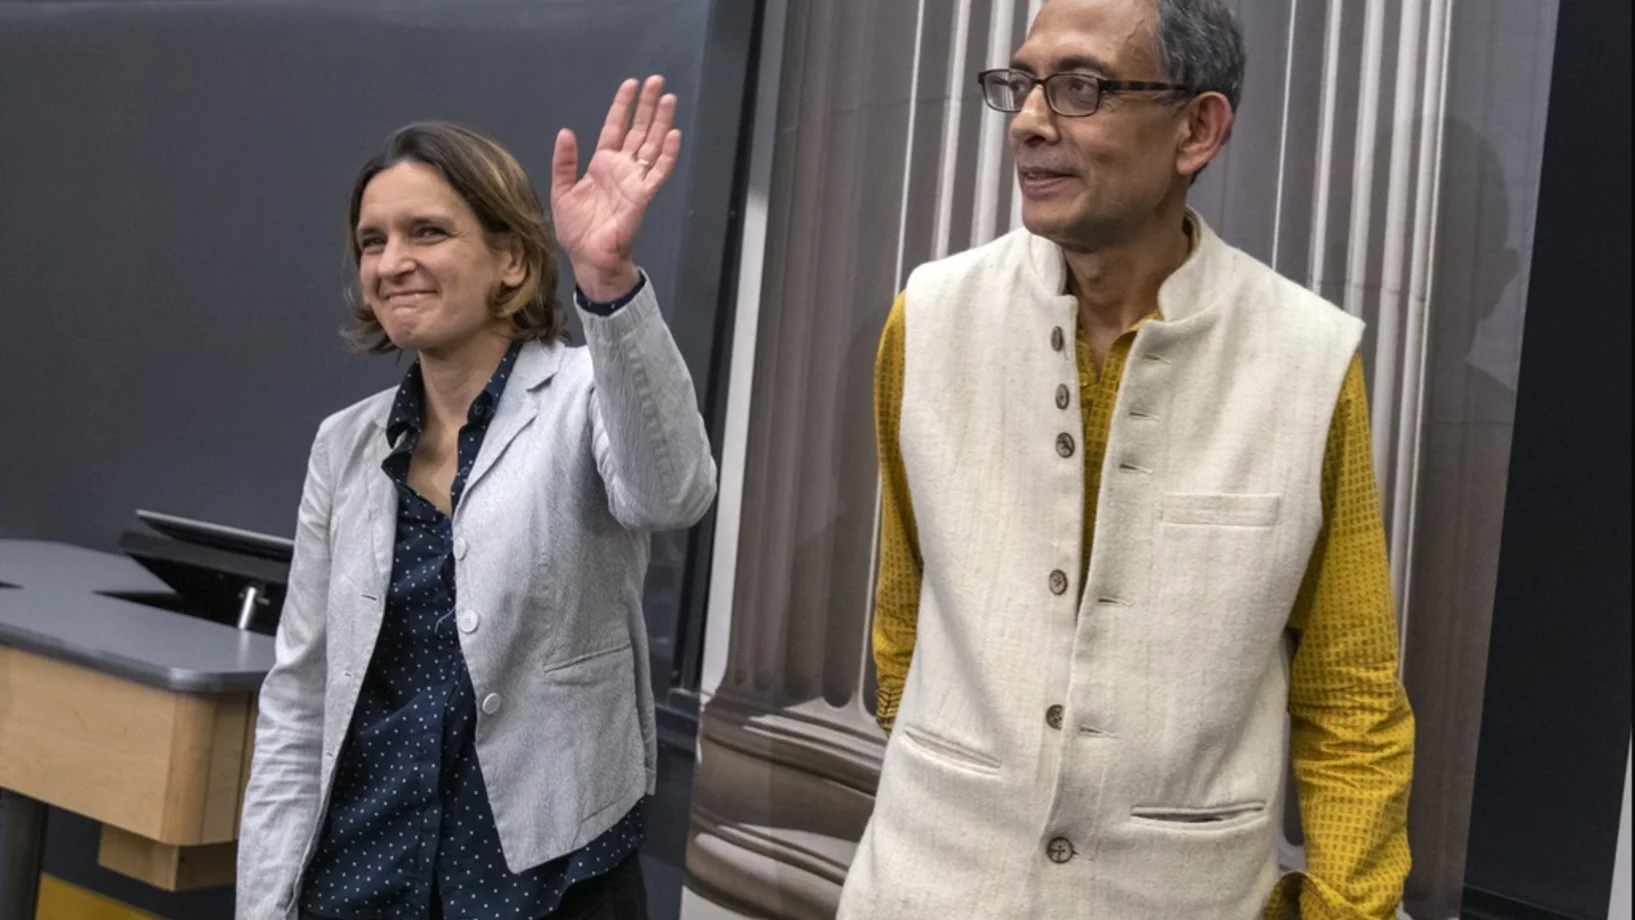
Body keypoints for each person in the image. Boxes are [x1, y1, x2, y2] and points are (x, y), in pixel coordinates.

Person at [837, 1, 1414, 918]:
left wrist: (1346, 909)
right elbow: (903, 608)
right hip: (928, 886)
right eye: (1021, 83)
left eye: (1079, 87)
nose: (1029, 119)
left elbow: (1349, 693)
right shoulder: (930, 318)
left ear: (1197, 127)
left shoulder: (1305, 361)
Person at [237, 77, 716, 920]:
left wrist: (605, 279)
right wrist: (265, 902)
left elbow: (670, 493)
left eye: (428, 232)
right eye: (372, 240)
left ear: (512, 259)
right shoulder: (343, 446)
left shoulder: (580, 394)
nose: (392, 263)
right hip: (365, 868)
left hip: (546, 876)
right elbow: (301, 696)